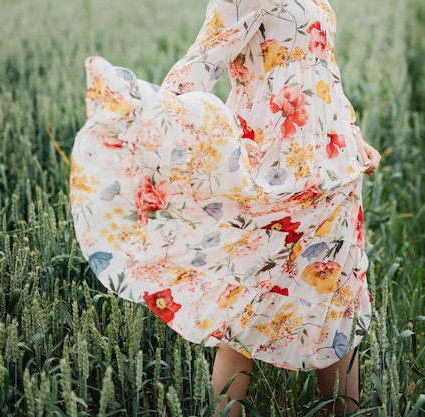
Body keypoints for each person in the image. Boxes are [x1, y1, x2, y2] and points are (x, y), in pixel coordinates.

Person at [70, 0, 380, 415]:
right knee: (247, 301)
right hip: (271, 165)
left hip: (332, 168)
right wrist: (152, 132)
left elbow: (323, 70)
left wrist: (353, 135)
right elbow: (201, 64)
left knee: (338, 299)